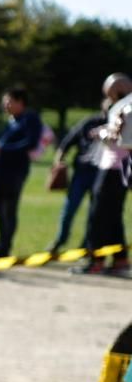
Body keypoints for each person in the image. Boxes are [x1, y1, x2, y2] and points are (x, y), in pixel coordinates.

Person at [0, 86, 43, 260]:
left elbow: (30, 143)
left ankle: (4, 247)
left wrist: (2, 149)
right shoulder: (11, 121)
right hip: (0, 170)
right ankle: (0, 245)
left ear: (20, 102)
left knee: (8, 208)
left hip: (15, 171)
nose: (5, 105)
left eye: (9, 101)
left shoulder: (29, 119)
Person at [77, 73, 132, 276]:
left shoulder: (125, 107)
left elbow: (120, 138)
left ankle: (96, 261)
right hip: (122, 168)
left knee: (98, 216)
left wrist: (101, 133)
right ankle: (120, 260)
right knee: (113, 216)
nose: (109, 99)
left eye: (110, 94)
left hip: (113, 167)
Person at [49, 103, 108, 254]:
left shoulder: (119, 124)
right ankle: (60, 240)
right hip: (81, 173)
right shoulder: (89, 122)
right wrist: (59, 161)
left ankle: (86, 244)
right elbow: (67, 142)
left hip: (102, 174)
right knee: (69, 208)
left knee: (93, 212)